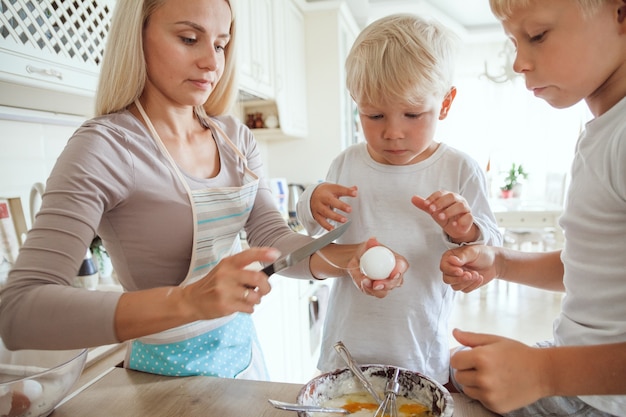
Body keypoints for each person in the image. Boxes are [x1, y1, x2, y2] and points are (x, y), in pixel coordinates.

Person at [0, 0, 407, 380]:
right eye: (189, 39)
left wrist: (347, 259)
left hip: (242, 356)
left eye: (221, 43)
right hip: (162, 372)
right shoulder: (106, 145)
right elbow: (18, 311)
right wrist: (189, 301)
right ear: (137, 36)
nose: (212, 61)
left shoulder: (235, 138)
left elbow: (273, 239)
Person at [441, 0, 626, 415]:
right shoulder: (604, 130)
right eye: (513, 42)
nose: (519, 62)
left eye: (538, 35)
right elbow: (595, 268)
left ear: (620, 13)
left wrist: (544, 372)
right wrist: (502, 263)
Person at [296, 13, 502, 386]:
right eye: (374, 115)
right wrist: (311, 202)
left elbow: (492, 250)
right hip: (347, 347)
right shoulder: (346, 162)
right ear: (355, 103)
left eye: (412, 114)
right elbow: (314, 231)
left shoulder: (459, 169)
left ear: (445, 102)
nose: (393, 132)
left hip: (419, 349)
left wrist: (466, 231)